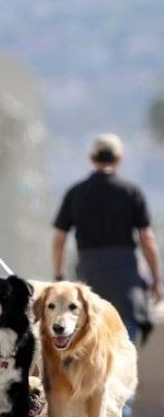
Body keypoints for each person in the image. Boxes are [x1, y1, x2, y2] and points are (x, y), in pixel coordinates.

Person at [52, 133, 163, 343]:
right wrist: (156, 279)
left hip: (89, 275)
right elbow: (147, 239)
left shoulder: (76, 192)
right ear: (118, 158)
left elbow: (59, 239)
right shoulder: (131, 191)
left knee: (91, 333)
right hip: (125, 279)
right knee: (124, 336)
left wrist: (59, 275)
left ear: (92, 158)